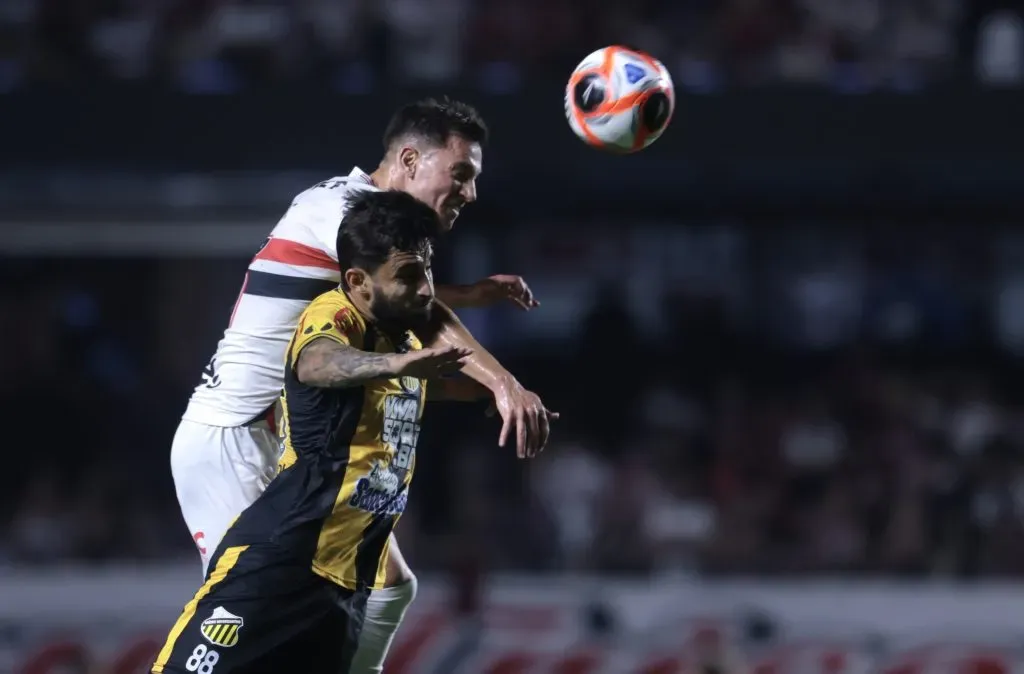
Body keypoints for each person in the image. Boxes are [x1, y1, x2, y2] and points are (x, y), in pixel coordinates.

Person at [169, 98, 555, 671]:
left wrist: (469, 295)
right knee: (245, 622)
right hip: (233, 440)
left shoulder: (365, 230)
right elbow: (420, 313)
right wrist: (503, 384)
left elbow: (398, 290)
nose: (470, 193)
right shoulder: (340, 206)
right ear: (408, 159)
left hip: (288, 444)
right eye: (462, 174)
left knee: (390, 585)